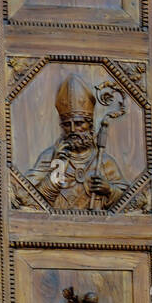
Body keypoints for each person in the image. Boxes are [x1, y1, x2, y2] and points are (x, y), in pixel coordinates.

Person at [28, 73, 126, 210]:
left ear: (90, 125)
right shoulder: (50, 156)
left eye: (79, 123)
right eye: (67, 124)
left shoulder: (104, 162)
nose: (73, 130)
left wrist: (109, 190)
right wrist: (58, 168)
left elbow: (129, 203)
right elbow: (31, 200)